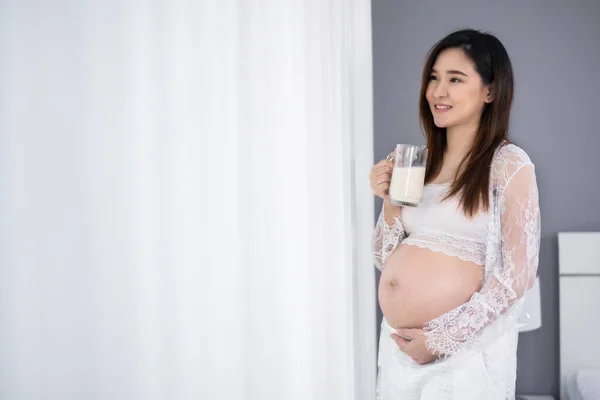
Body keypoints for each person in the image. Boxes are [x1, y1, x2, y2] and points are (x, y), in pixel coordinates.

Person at [370, 29, 541, 400]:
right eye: (433, 77)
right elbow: (385, 259)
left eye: (455, 79)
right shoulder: (417, 162)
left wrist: (442, 340)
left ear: (490, 91)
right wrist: (389, 200)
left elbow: (518, 274)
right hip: (399, 350)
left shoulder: (508, 164)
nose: (438, 91)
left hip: (462, 354)